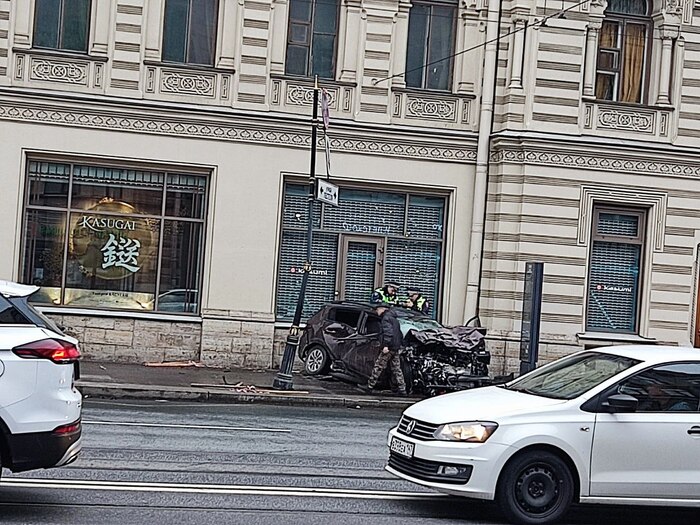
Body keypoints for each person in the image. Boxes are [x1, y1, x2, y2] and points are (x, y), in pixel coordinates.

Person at [361, 303, 407, 396]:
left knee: (379, 366)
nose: (376, 311)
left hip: (389, 347)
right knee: (396, 369)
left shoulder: (386, 318)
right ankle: (402, 389)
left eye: (377, 309)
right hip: (395, 347)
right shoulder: (394, 319)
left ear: (382, 309)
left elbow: (388, 333)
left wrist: (386, 345)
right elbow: (399, 334)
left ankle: (369, 386)